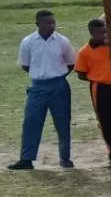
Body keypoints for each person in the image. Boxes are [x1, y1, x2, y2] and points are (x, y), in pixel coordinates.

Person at [10, 10, 77, 170]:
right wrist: (41, 76)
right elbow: (26, 65)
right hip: (37, 86)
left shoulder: (62, 41)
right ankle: (26, 159)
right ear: (37, 24)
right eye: (47, 23)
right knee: (31, 121)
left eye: (53, 22)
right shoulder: (28, 42)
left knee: (62, 122)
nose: (51, 26)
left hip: (59, 85)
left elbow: (70, 64)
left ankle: (65, 158)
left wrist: (55, 76)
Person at [74, 19, 111, 166]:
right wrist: (99, 77)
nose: (104, 35)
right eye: (100, 33)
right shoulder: (84, 52)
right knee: (106, 124)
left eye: (105, 32)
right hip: (100, 90)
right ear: (92, 33)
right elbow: (81, 74)